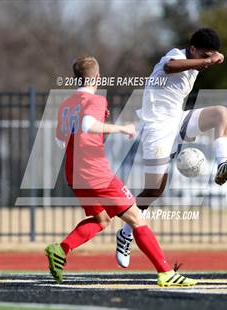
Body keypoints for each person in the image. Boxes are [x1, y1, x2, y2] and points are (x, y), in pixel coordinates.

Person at [45, 56, 197, 287]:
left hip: (73, 172)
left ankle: (61, 249)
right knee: (136, 218)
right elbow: (87, 125)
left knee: (101, 218)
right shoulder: (95, 100)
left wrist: (92, 133)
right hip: (96, 173)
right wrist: (120, 128)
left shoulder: (67, 103)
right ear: (97, 77)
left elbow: (60, 141)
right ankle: (165, 272)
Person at [116, 28, 227, 268]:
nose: (207, 61)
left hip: (177, 120)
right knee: (154, 190)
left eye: (211, 55)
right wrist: (207, 60)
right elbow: (169, 67)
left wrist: (212, 57)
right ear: (193, 49)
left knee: (222, 114)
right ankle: (125, 233)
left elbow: (204, 60)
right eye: (204, 55)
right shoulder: (174, 55)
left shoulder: (197, 60)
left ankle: (222, 166)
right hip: (156, 127)